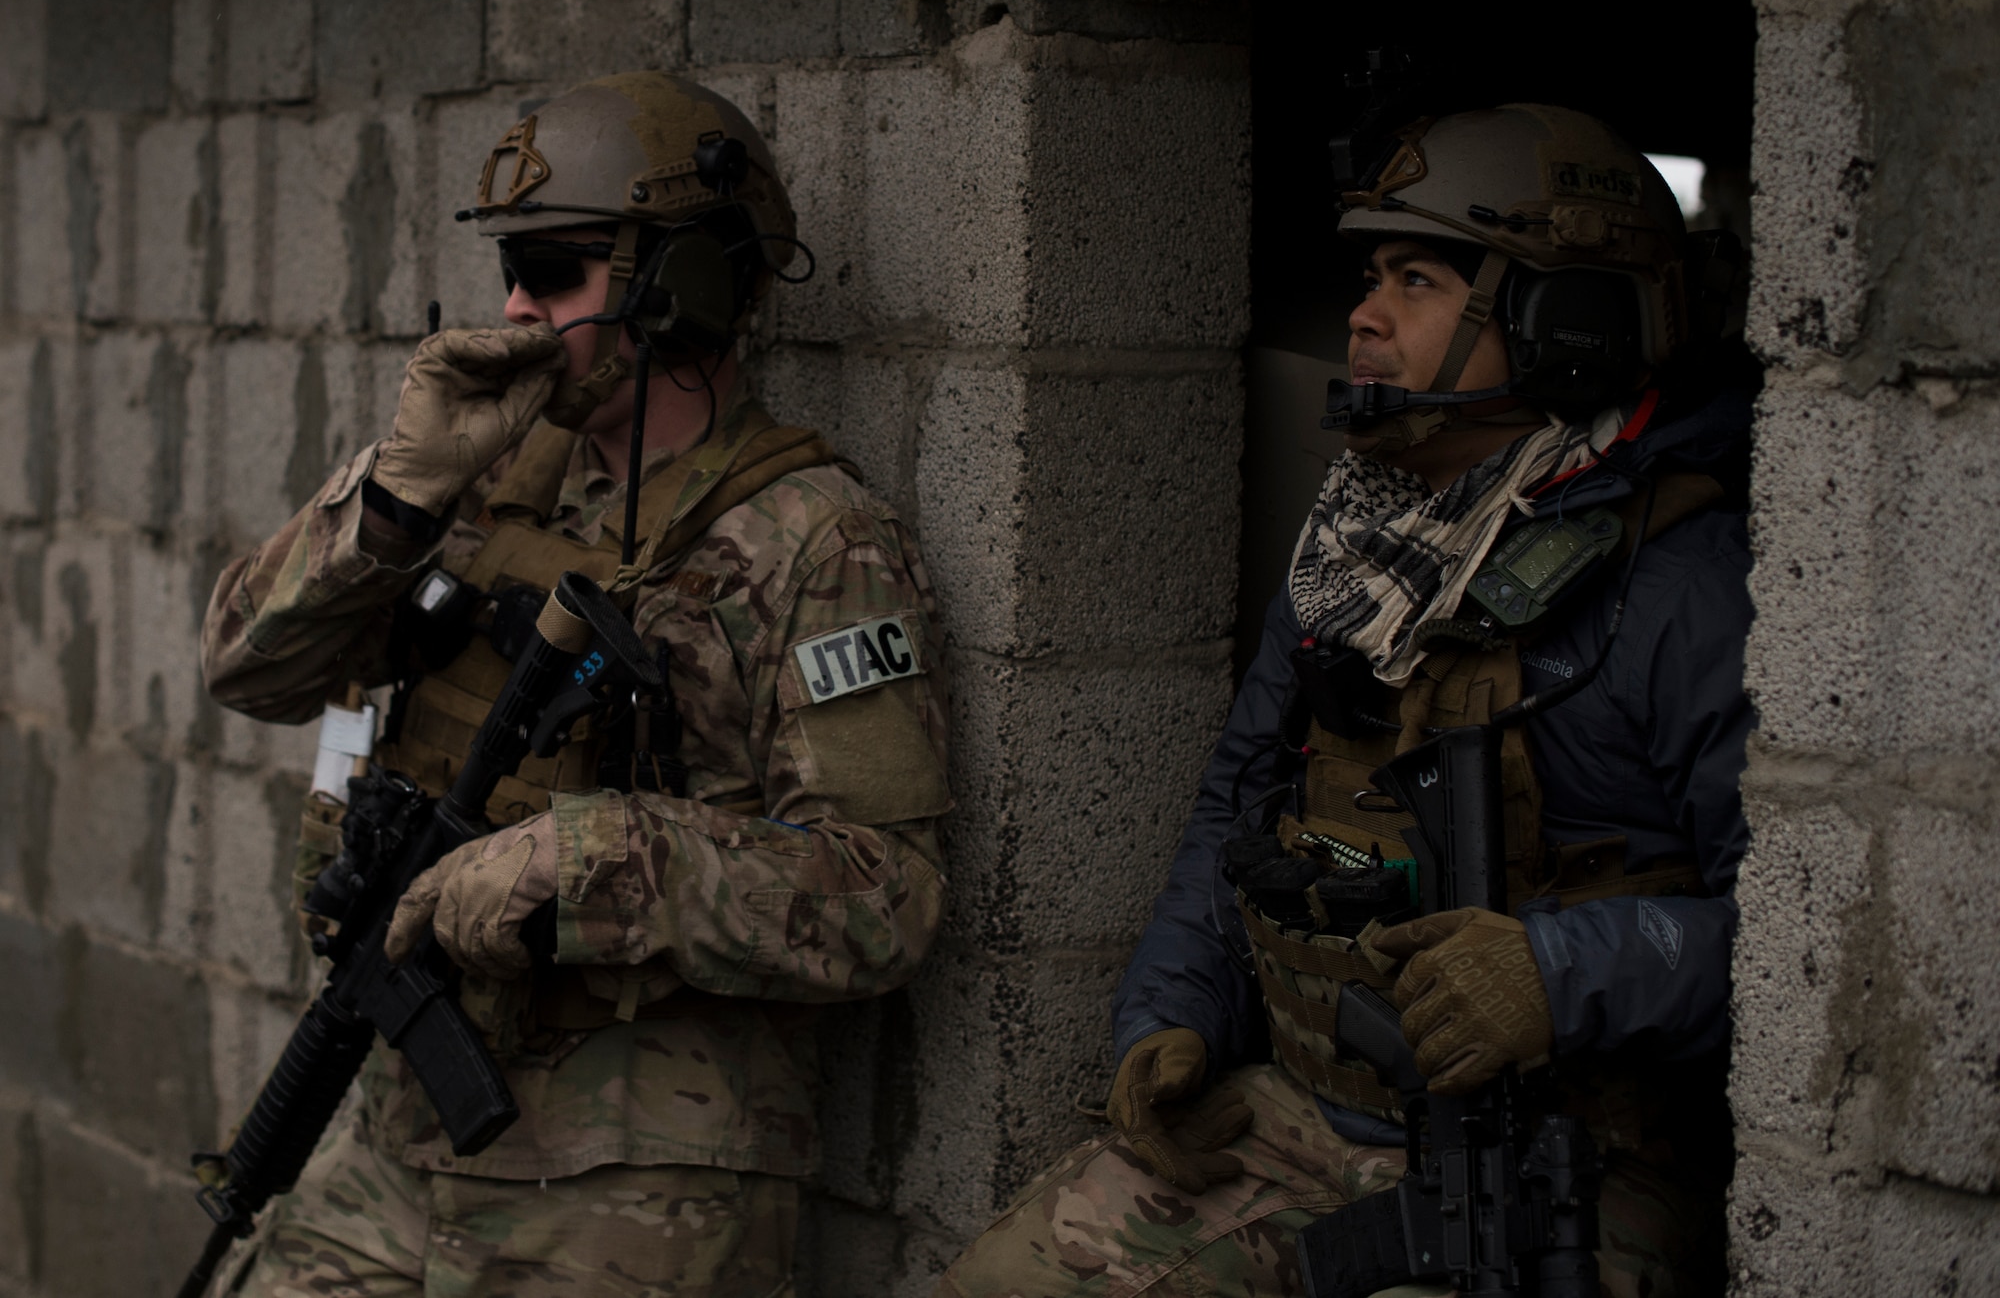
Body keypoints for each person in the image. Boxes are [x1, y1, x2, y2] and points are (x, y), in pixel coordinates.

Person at [939, 104, 1752, 1298]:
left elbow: (1796, 950)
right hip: (1307, 1112)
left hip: (1571, 1159)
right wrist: (1168, 1020)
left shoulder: (1687, 588)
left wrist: (1559, 969)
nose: (1363, 318)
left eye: (1413, 281)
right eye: (1370, 276)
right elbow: (1237, 816)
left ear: (1560, 323)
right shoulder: (1357, 552)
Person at [199, 72, 953, 1297]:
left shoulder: (815, 541)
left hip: (629, 1185)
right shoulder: (474, 479)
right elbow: (247, 669)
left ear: (682, 281)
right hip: (396, 1135)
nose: (513, 305)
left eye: (552, 270)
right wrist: (390, 505)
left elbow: (888, 896)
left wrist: (587, 862)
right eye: (510, 267)